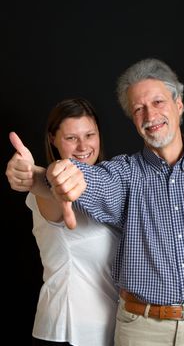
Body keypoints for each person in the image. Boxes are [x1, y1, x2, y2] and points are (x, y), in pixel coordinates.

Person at [44, 58, 184, 346]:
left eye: (157, 102)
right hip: (141, 331)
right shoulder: (124, 174)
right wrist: (59, 173)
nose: (150, 114)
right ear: (133, 120)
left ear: (178, 105)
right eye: (138, 109)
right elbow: (94, 182)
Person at [5, 98, 120, 346]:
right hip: (68, 331)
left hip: (113, 329)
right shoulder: (47, 195)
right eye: (70, 138)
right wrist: (36, 176)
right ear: (53, 140)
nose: (83, 146)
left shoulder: (109, 189)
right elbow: (52, 188)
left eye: (90, 134)